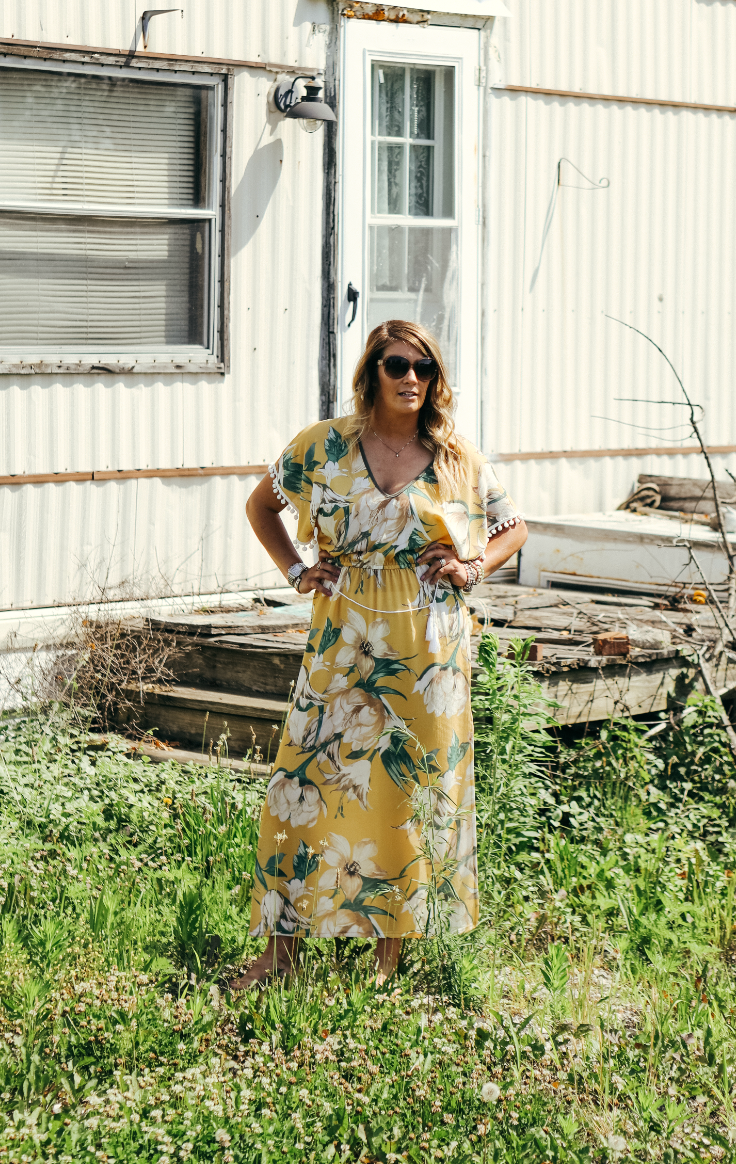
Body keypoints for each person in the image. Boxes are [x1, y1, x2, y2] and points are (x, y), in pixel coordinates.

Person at [234, 318, 528, 989]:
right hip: (342, 636)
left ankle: (387, 962)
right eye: (397, 366)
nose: (412, 381)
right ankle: (281, 954)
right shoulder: (324, 448)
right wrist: (295, 573)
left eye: (424, 369)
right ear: (372, 374)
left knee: (410, 788)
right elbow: (261, 507)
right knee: (302, 785)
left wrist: (475, 566)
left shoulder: (456, 456)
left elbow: (515, 527)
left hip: (429, 650)